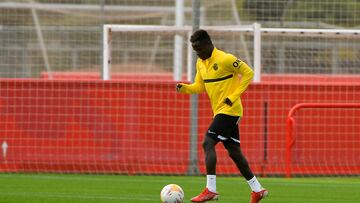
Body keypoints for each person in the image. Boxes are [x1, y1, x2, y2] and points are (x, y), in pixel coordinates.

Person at [176, 30, 268, 203]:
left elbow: (248, 73)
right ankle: (257, 189)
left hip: (230, 110)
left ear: (207, 44)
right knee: (234, 151)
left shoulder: (225, 59)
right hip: (219, 111)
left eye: (199, 48)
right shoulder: (200, 63)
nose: (197, 52)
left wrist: (233, 96)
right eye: (194, 50)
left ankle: (211, 189)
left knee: (207, 142)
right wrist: (185, 88)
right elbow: (199, 86)